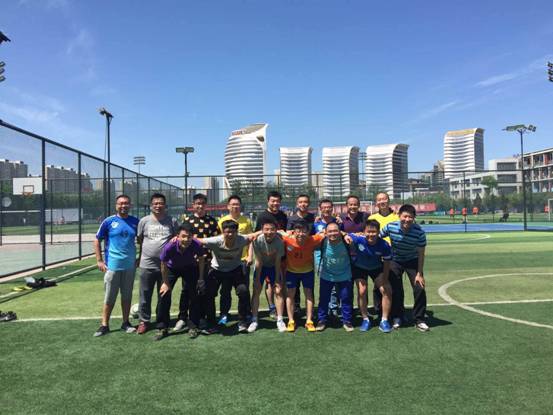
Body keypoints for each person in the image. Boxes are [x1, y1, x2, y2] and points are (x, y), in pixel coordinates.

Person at [196, 220, 259, 333]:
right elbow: (197, 240)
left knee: (243, 291)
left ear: (237, 232)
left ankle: (242, 321)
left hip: (235, 270)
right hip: (217, 270)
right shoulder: (216, 241)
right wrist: (176, 238)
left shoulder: (242, 239)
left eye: (233, 232)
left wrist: (279, 232)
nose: (230, 234)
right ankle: (211, 323)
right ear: (222, 232)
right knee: (208, 294)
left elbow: (255, 234)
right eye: (227, 232)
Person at [93, 194, 139, 337]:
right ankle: (104, 325)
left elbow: (142, 240)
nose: (123, 206)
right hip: (112, 267)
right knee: (109, 297)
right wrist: (99, 260)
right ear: (116, 205)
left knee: (127, 296)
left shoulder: (135, 222)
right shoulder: (108, 221)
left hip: (130, 267)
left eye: (126, 203)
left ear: (130, 205)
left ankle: (125, 322)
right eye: (121, 203)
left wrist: (140, 257)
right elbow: (97, 240)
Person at [380, 204, 429, 332]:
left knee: (419, 288)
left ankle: (419, 319)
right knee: (396, 288)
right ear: (399, 216)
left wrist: (419, 273)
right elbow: (377, 237)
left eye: (410, 217)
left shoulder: (419, 232)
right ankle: (397, 316)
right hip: (395, 260)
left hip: (412, 260)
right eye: (405, 216)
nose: (407, 219)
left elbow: (421, 253)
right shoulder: (390, 227)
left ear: (414, 218)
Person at [135, 193, 178, 334]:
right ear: (151, 206)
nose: (158, 206)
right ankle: (143, 321)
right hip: (146, 264)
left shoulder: (172, 221)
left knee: (164, 295)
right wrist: (140, 256)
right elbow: (140, 240)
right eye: (155, 203)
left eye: (161, 203)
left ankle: (162, 321)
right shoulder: (144, 221)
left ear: (165, 205)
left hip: (167, 266)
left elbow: (176, 238)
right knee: (145, 294)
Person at [156, 223, 205, 340]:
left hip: (190, 268)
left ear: (192, 236)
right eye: (183, 236)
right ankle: (162, 327)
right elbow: (163, 264)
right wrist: (165, 283)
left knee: (193, 294)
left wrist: (201, 278)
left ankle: (193, 326)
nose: (186, 239)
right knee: (164, 294)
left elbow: (201, 259)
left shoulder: (196, 244)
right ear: (177, 236)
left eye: (189, 236)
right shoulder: (170, 246)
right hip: (172, 268)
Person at [180, 193, 220, 333]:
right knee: (189, 291)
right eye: (197, 203)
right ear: (193, 205)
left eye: (202, 203)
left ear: (206, 205)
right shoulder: (187, 221)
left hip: (207, 262)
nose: (200, 206)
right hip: (190, 263)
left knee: (207, 292)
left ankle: (208, 320)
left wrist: (215, 260)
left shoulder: (212, 221)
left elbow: (217, 242)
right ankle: (186, 319)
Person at [280, 219, 325, 332]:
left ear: (308, 232)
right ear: (294, 231)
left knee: (309, 295)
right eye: (298, 231)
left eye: (304, 231)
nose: (300, 234)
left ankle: (309, 321)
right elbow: (278, 232)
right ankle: (291, 321)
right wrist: (286, 233)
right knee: (290, 295)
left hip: (307, 272)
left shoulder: (313, 239)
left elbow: (325, 233)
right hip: (291, 272)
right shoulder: (287, 239)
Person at [348, 219, 393, 333]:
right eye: (368, 231)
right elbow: (346, 234)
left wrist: (385, 278)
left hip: (376, 268)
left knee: (386, 290)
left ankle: (384, 320)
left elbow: (387, 262)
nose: (371, 234)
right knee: (362, 291)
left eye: (374, 232)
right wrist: (346, 236)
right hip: (359, 267)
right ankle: (365, 319)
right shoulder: (358, 239)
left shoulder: (384, 245)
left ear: (378, 232)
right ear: (364, 232)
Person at [217, 195, 254, 325]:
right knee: (225, 290)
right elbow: (219, 241)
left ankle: (245, 314)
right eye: (233, 204)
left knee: (243, 290)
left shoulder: (246, 221)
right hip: (226, 262)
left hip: (242, 261)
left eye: (237, 204)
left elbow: (250, 240)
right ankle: (224, 314)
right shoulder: (222, 221)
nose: (235, 206)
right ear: (228, 206)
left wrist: (250, 255)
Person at [254, 190, 288, 319]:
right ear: (268, 201)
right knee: (269, 283)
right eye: (273, 201)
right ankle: (272, 307)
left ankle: (281, 308)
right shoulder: (263, 216)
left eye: (278, 201)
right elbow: (257, 235)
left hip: (281, 252)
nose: (275, 203)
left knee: (280, 281)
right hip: (267, 255)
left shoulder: (283, 215)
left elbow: (285, 232)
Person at [316, 222, 354, 332]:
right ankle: (322, 320)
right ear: (326, 233)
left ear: (340, 232)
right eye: (330, 231)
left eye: (335, 231)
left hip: (344, 274)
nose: (333, 233)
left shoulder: (347, 241)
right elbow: (315, 250)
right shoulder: (322, 241)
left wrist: (346, 235)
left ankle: (347, 321)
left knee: (346, 298)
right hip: (327, 275)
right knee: (324, 299)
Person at [250, 220, 285, 332]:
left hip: (274, 266)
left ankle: (280, 320)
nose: (269, 232)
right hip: (261, 266)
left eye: (272, 229)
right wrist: (257, 279)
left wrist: (277, 280)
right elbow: (258, 261)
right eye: (266, 229)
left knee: (278, 291)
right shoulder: (257, 240)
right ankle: (254, 320)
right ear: (262, 230)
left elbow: (278, 262)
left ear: (276, 230)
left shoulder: (279, 242)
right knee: (256, 291)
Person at [369, 192, 399, 315]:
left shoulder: (397, 217)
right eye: (379, 199)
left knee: (393, 284)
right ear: (376, 203)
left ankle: (396, 312)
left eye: (384, 199)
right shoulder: (372, 218)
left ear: (388, 200)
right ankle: (379, 310)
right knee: (378, 285)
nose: (382, 202)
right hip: (376, 256)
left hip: (393, 256)